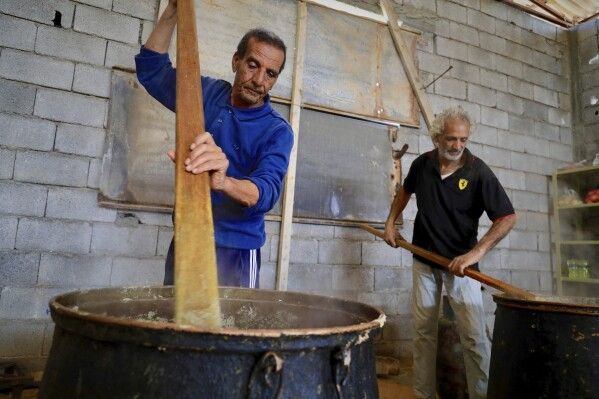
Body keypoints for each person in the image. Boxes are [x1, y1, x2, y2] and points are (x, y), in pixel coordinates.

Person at [134, 0, 293, 288]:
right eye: (253, 65)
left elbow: (267, 192)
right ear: (236, 61)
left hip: (238, 250)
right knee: (177, 323)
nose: (258, 80)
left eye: (270, 74)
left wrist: (224, 182)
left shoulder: (277, 130)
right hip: (188, 236)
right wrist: (172, 10)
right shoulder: (205, 92)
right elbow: (151, 71)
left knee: (231, 331)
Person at [383, 107, 516, 399]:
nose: (457, 146)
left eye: (463, 140)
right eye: (451, 139)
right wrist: (391, 222)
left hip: (462, 266)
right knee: (423, 335)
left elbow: (507, 217)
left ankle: (480, 396)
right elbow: (405, 191)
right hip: (424, 261)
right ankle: (423, 395)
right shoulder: (422, 164)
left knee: (473, 339)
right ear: (437, 137)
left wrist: (474, 254)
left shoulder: (478, 171)